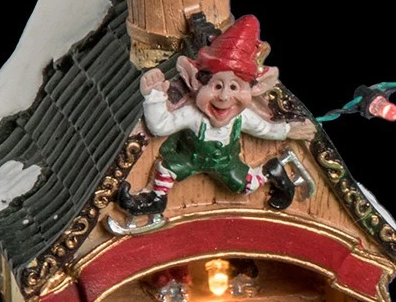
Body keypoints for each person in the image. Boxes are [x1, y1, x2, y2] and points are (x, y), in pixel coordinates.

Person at [124, 14, 317, 216]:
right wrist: (154, 96)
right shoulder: (192, 114)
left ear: (255, 89)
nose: (224, 97)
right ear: (195, 81)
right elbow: (160, 126)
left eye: (234, 87)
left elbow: (264, 129)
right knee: (166, 169)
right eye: (217, 86)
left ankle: (272, 170)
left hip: (226, 164)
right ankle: (156, 200)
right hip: (189, 158)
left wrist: (288, 130)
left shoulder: (241, 118)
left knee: (246, 186)